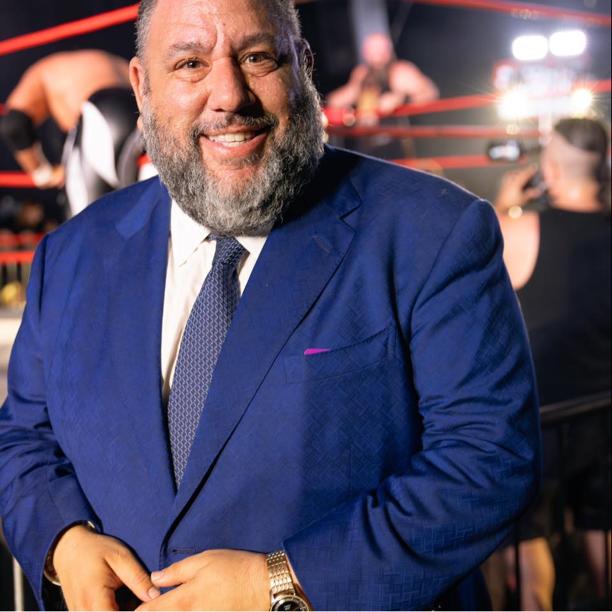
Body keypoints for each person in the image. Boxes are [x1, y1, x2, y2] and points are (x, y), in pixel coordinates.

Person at [0, 1, 539, 610]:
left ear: (302, 65)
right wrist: (62, 541)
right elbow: (22, 436)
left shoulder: (431, 230)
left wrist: (284, 583)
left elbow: (489, 459)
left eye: (257, 57)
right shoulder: (71, 254)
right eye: (190, 64)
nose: (229, 95)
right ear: (141, 87)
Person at [495, 117, 611, 610]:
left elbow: (472, 250)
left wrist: (506, 202)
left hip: (544, 420)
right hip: (604, 413)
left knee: (527, 537)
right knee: (602, 529)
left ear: (551, 170)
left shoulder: (522, 229)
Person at [0, 50, 140, 217]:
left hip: (97, 117)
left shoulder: (46, 70)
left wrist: (42, 173)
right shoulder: (114, 61)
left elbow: (14, 124)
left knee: (85, 226)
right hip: (140, 120)